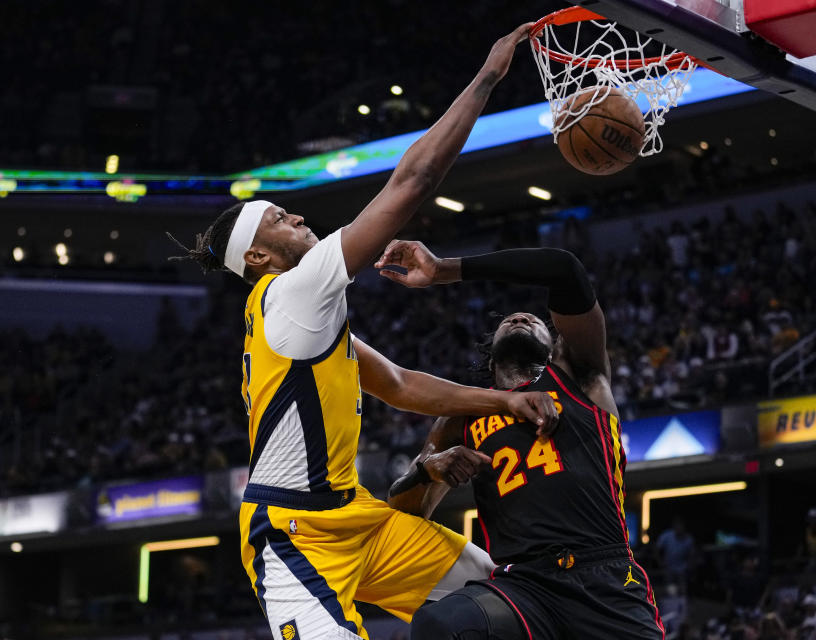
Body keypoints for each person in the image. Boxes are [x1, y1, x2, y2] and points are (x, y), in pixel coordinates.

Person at [167, 24, 561, 640]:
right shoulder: (293, 289)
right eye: (278, 217)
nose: (295, 214)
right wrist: (486, 78)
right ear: (258, 258)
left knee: (498, 599)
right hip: (295, 535)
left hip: (356, 516)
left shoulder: (298, 316)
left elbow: (400, 384)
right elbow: (412, 183)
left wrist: (504, 398)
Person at [378, 241, 664, 640]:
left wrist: (446, 269)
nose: (519, 317)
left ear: (554, 348)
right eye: (508, 319)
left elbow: (563, 268)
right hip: (524, 588)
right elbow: (404, 515)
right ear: (490, 359)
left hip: (604, 576)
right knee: (441, 625)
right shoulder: (461, 417)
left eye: (535, 320)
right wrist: (429, 470)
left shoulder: (580, 376)